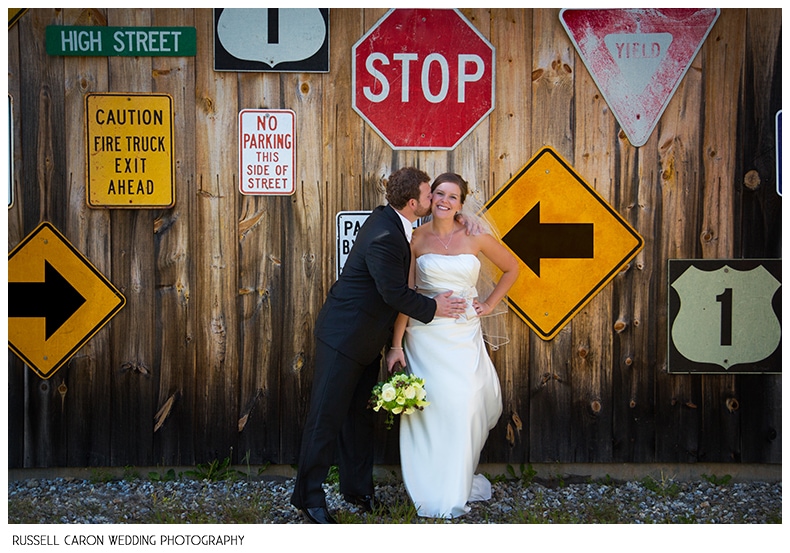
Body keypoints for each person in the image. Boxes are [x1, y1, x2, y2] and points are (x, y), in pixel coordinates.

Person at [290, 167, 469, 524]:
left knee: (358, 420)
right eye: (429, 194)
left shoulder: (395, 223)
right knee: (325, 419)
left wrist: (465, 219)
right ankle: (307, 497)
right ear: (413, 202)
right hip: (343, 337)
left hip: (365, 341)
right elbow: (393, 292)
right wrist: (436, 307)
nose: (435, 198)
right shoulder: (385, 234)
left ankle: (357, 490)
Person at [385, 172, 519, 519]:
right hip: (425, 337)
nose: (444, 201)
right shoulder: (415, 239)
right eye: (439, 194)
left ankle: (455, 479)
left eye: (453, 197)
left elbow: (511, 268)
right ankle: (431, 487)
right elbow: (407, 296)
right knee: (432, 410)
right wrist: (396, 345)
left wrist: (488, 304)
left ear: (462, 204)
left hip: (463, 336)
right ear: (429, 199)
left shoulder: (475, 236)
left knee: (467, 405)